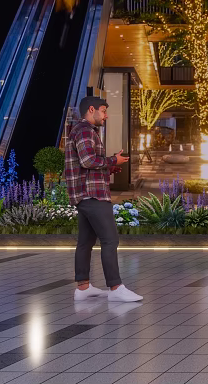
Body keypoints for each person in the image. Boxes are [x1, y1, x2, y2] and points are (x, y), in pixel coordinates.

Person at [66, 96, 141, 302]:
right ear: (91, 110)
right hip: (93, 195)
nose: (106, 115)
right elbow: (88, 160)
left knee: (86, 241)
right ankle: (116, 288)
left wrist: (109, 167)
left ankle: (83, 288)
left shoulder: (83, 131)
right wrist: (111, 160)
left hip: (84, 194)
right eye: (104, 111)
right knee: (110, 240)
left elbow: (86, 166)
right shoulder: (84, 131)